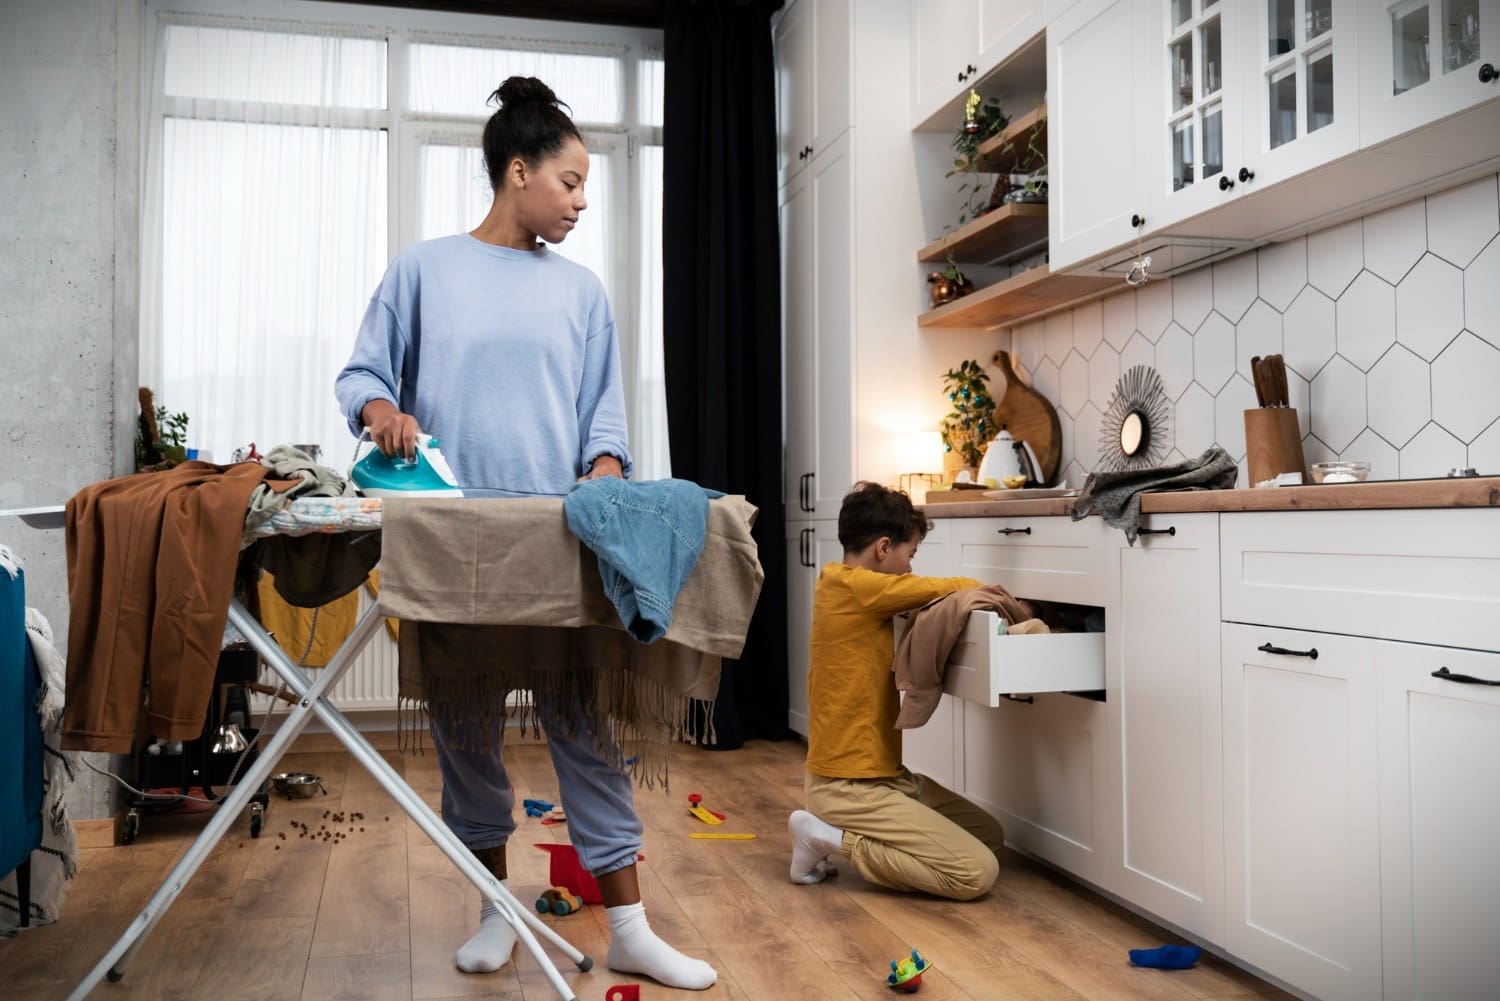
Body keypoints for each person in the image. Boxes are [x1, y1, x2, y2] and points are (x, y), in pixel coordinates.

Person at [335, 76, 715, 991]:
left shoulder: (583, 293)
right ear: (517, 173)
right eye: (572, 181)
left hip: (552, 540)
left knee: (583, 724)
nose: (583, 202)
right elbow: (361, 376)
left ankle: (628, 924)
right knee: (466, 728)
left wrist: (608, 475)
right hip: (454, 537)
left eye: (587, 187)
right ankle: (496, 910)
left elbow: (605, 422)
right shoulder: (422, 270)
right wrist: (384, 410)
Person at [788, 481, 1006, 900]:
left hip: (885, 777)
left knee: (988, 835)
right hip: (847, 786)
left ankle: (843, 833)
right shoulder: (860, 588)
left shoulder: (840, 582)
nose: (910, 568)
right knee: (975, 874)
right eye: (910, 555)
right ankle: (826, 838)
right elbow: (959, 585)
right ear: (884, 548)